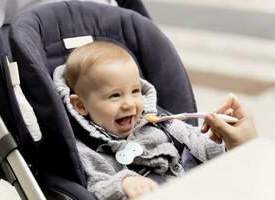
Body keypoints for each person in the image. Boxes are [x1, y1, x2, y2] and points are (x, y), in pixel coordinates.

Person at [53, 41, 257, 200]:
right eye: (115, 96)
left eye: (135, 91)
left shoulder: (163, 124)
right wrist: (124, 183)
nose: (129, 104)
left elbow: (200, 144)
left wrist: (230, 146)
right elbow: (98, 185)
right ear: (80, 105)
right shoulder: (88, 151)